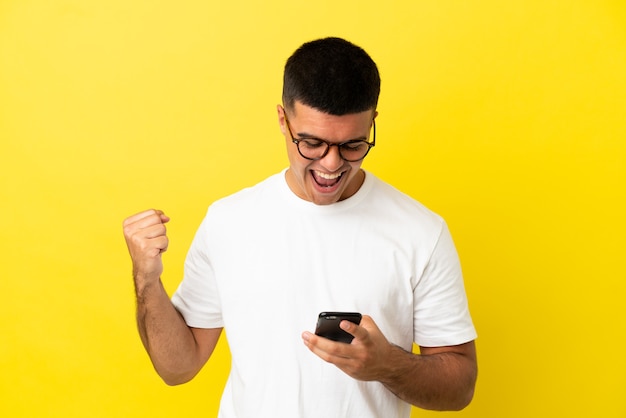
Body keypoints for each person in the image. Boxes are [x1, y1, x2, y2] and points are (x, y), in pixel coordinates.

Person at [123, 37, 477, 417]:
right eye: (311, 143)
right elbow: (178, 367)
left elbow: (459, 388)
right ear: (283, 120)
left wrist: (387, 364)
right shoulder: (229, 221)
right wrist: (146, 279)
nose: (331, 165)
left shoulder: (420, 232)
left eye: (353, 145)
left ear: (372, 121)